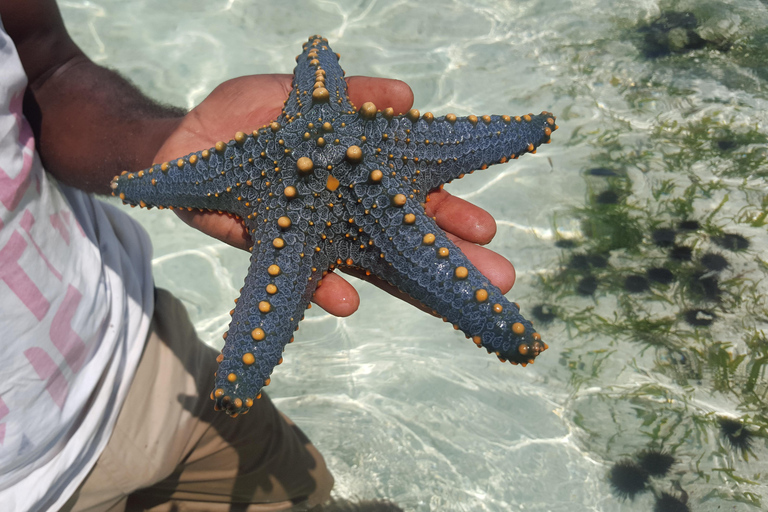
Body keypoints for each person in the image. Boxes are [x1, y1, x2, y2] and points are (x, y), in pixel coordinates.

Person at [0, 1, 516, 510]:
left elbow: (47, 71)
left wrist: (163, 146)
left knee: (296, 490)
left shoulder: (289, 159)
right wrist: (161, 177)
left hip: (137, 338)